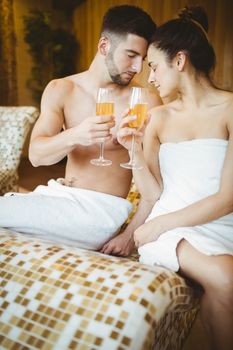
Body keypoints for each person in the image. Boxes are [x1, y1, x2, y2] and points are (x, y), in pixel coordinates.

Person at [117, 6, 233, 350]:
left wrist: (160, 223)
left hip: (218, 224)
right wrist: (134, 152)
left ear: (179, 61)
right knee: (226, 280)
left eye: (153, 66)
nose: (148, 77)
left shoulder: (229, 110)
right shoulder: (157, 118)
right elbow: (151, 192)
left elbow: (228, 197)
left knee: (220, 290)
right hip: (170, 232)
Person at [0, 5, 161, 250]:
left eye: (144, 59)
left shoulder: (145, 101)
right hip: (60, 197)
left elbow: (158, 183)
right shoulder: (61, 89)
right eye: (131, 55)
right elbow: (36, 156)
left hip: (99, 212)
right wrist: (76, 135)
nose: (138, 68)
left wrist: (129, 236)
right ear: (104, 46)